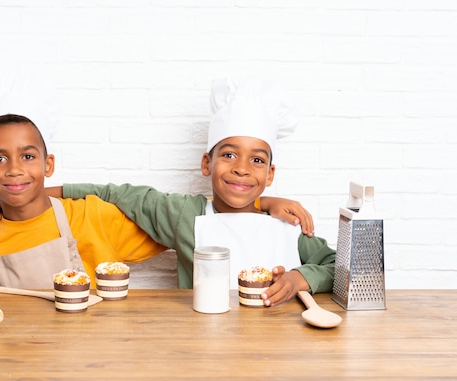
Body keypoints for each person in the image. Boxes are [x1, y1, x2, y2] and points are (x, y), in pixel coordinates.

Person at [44, 76, 336, 306]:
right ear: (207, 163)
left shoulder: (288, 223)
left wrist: (300, 278)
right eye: (229, 155)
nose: (242, 168)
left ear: (270, 173)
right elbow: (117, 194)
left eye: (257, 160)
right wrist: (36, 194)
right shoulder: (186, 215)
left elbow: (337, 267)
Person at [0, 69, 169, 289]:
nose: (14, 169)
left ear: (48, 165)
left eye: (28, 156)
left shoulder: (92, 217)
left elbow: (175, 226)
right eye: (0, 158)